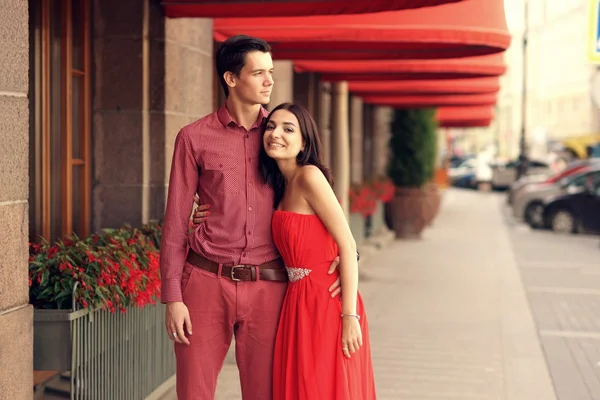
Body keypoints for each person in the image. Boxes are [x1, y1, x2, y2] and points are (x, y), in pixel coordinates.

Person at [160, 35, 341, 400]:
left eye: (271, 72)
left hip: (270, 286)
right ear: (231, 78)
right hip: (205, 282)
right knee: (193, 392)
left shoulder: (280, 134)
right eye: (259, 73)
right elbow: (176, 223)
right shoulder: (193, 138)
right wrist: (173, 297)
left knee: (268, 392)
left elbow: (314, 198)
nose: (269, 81)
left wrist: (343, 255)